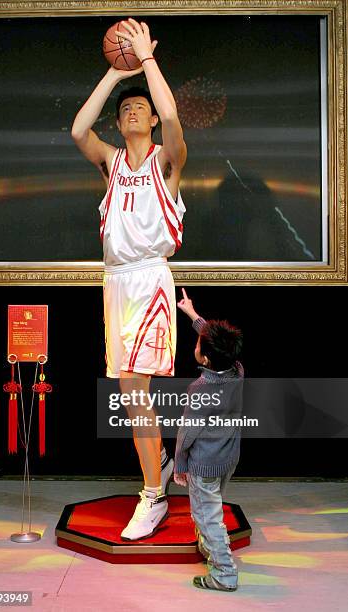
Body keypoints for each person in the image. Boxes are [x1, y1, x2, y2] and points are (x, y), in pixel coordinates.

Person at [71, 18, 187, 540]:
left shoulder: (168, 160)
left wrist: (144, 61)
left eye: (139, 106)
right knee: (128, 391)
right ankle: (158, 465)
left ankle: (153, 494)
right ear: (119, 124)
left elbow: (170, 111)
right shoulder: (111, 163)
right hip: (115, 282)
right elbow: (78, 130)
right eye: (126, 109)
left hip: (150, 280)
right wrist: (114, 77)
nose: (133, 110)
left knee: (136, 389)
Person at [174, 288, 243, 591]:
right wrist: (192, 314)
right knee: (212, 507)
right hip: (228, 457)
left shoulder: (201, 388)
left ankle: (224, 574)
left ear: (205, 357)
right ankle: (210, 547)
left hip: (204, 464)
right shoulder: (237, 371)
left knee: (208, 517)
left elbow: (188, 432)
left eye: (199, 342)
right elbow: (220, 346)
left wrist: (178, 464)